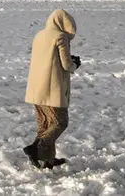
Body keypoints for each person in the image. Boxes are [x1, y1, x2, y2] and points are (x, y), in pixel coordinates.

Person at [23, 9, 80, 169]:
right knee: (60, 122)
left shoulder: (39, 35)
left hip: (36, 87)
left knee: (45, 125)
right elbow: (67, 65)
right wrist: (75, 64)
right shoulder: (60, 37)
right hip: (52, 89)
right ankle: (35, 148)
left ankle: (48, 160)